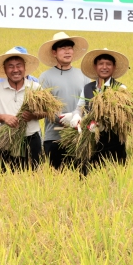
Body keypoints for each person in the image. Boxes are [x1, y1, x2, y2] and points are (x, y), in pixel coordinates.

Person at [70, 48, 130, 169]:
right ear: (95, 66)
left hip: (114, 143)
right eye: (101, 64)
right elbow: (80, 108)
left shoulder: (120, 88)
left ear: (114, 67)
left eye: (108, 64)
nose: (104, 67)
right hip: (91, 142)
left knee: (114, 177)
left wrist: (103, 124)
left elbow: (125, 116)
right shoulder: (87, 88)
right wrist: (76, 116)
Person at [0, 47, 44, 169]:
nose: (15, 70)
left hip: (31, 139)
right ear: (5, 69)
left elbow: (46, 112)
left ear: (25, 68)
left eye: (19, 65)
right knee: (7, 178)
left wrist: (33, 115)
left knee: (34, 177)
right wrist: (3, 117)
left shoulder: (35, 87)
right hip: (7, 140)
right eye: (11, 66)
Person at [37, 31, 89, 169]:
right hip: (54, 138)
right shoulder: (45, 77)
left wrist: (77, 117)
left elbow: (89, 102)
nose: (67, 51)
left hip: (80, 136)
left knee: (82, 179)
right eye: (63, 48)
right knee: (56, 183)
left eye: (69, 48)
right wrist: (61, 118)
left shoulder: (83, 75)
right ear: (54, 52)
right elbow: (43, 107)